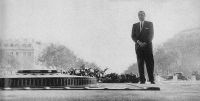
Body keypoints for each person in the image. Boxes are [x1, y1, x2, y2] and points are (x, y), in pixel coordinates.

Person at [131, 11, 155, 84]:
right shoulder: (135, 25)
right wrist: (138, 42)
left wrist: (145, 42)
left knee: (149, 63)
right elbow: (133, 36)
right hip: (138, 46)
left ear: (145, 16)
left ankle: (151, 79)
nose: (141, 16)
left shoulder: (149, 24)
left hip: (147, 46)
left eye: (142, 15)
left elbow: (151, 35)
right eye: (139, 15)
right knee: (140, 63)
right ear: (138, 16)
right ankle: (142, 80)